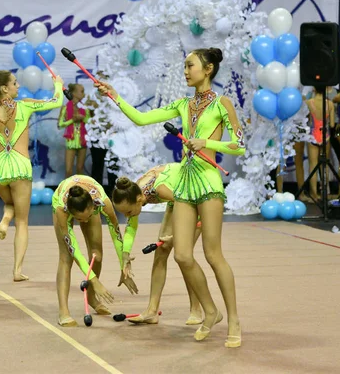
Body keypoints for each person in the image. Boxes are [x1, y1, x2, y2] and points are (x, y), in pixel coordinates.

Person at [97, 47, 244, 347]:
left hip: (209, 182)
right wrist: (114, 95)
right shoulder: (182, 105)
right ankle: (210, 311)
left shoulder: (222, 103)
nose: (186, 70)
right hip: (185, 185)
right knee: (181, 255)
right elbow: (140, 118)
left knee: (213, 255)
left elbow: (239, 145)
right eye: (185, 66)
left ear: (209, 69)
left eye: (191, 65)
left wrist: (208, 142)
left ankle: (234, 321)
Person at [0, 70, 64, 282]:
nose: (18, 86)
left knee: (10, 204)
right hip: (19, 165)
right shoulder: (24, 105)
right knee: (23, 221)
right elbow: (55, 102)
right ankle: (17, 270)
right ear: (5, 88)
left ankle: (6, 219)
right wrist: (59, 85)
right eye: (15, 83)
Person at [111, 164, 204, 325]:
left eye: (128, 212)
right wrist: (125, 256)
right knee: (161, 252)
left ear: (139, 200)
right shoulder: (134, 193)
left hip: (195, 196)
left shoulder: (160, 190)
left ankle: (196, 309)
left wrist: (178, 237)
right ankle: (151, 312)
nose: (127, 216)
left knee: (183, 256)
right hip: (179, 196)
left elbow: (190, 206)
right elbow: (131, 227)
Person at [52, 174, 138, 327]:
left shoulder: (102, 202)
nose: (84, 222)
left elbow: (116, 234)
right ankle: (63, 311)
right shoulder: (61, 210)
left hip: (88, 197)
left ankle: (91, 298)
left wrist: (123, 267)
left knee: (96, 255)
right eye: (80, 220)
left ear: (93, 207)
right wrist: (94, 280)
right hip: (63, 200)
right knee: (66, 258)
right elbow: (74, 249)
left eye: (88, 216)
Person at [305, 85, 335, 202]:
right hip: (325, 136)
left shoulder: (309, 103)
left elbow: (307, 120)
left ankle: (314, 195)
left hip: (313, 136)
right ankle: (325, 193)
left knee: (313, 165)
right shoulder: (330, 104)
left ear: (314, 89)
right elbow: (332, 125)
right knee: (324, 165)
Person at [58, 84, 90, 177]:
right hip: (71, 141)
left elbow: (90, 123)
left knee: (80, 169)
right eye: (82, 91)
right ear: (74, 93)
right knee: (68, 170)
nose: (84, 94)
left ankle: (80, 190)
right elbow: (60, 125)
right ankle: (66, 190)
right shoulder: (65, 108)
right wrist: (73, 120)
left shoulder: (85, 108)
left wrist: (83, 118)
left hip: (82, 140)